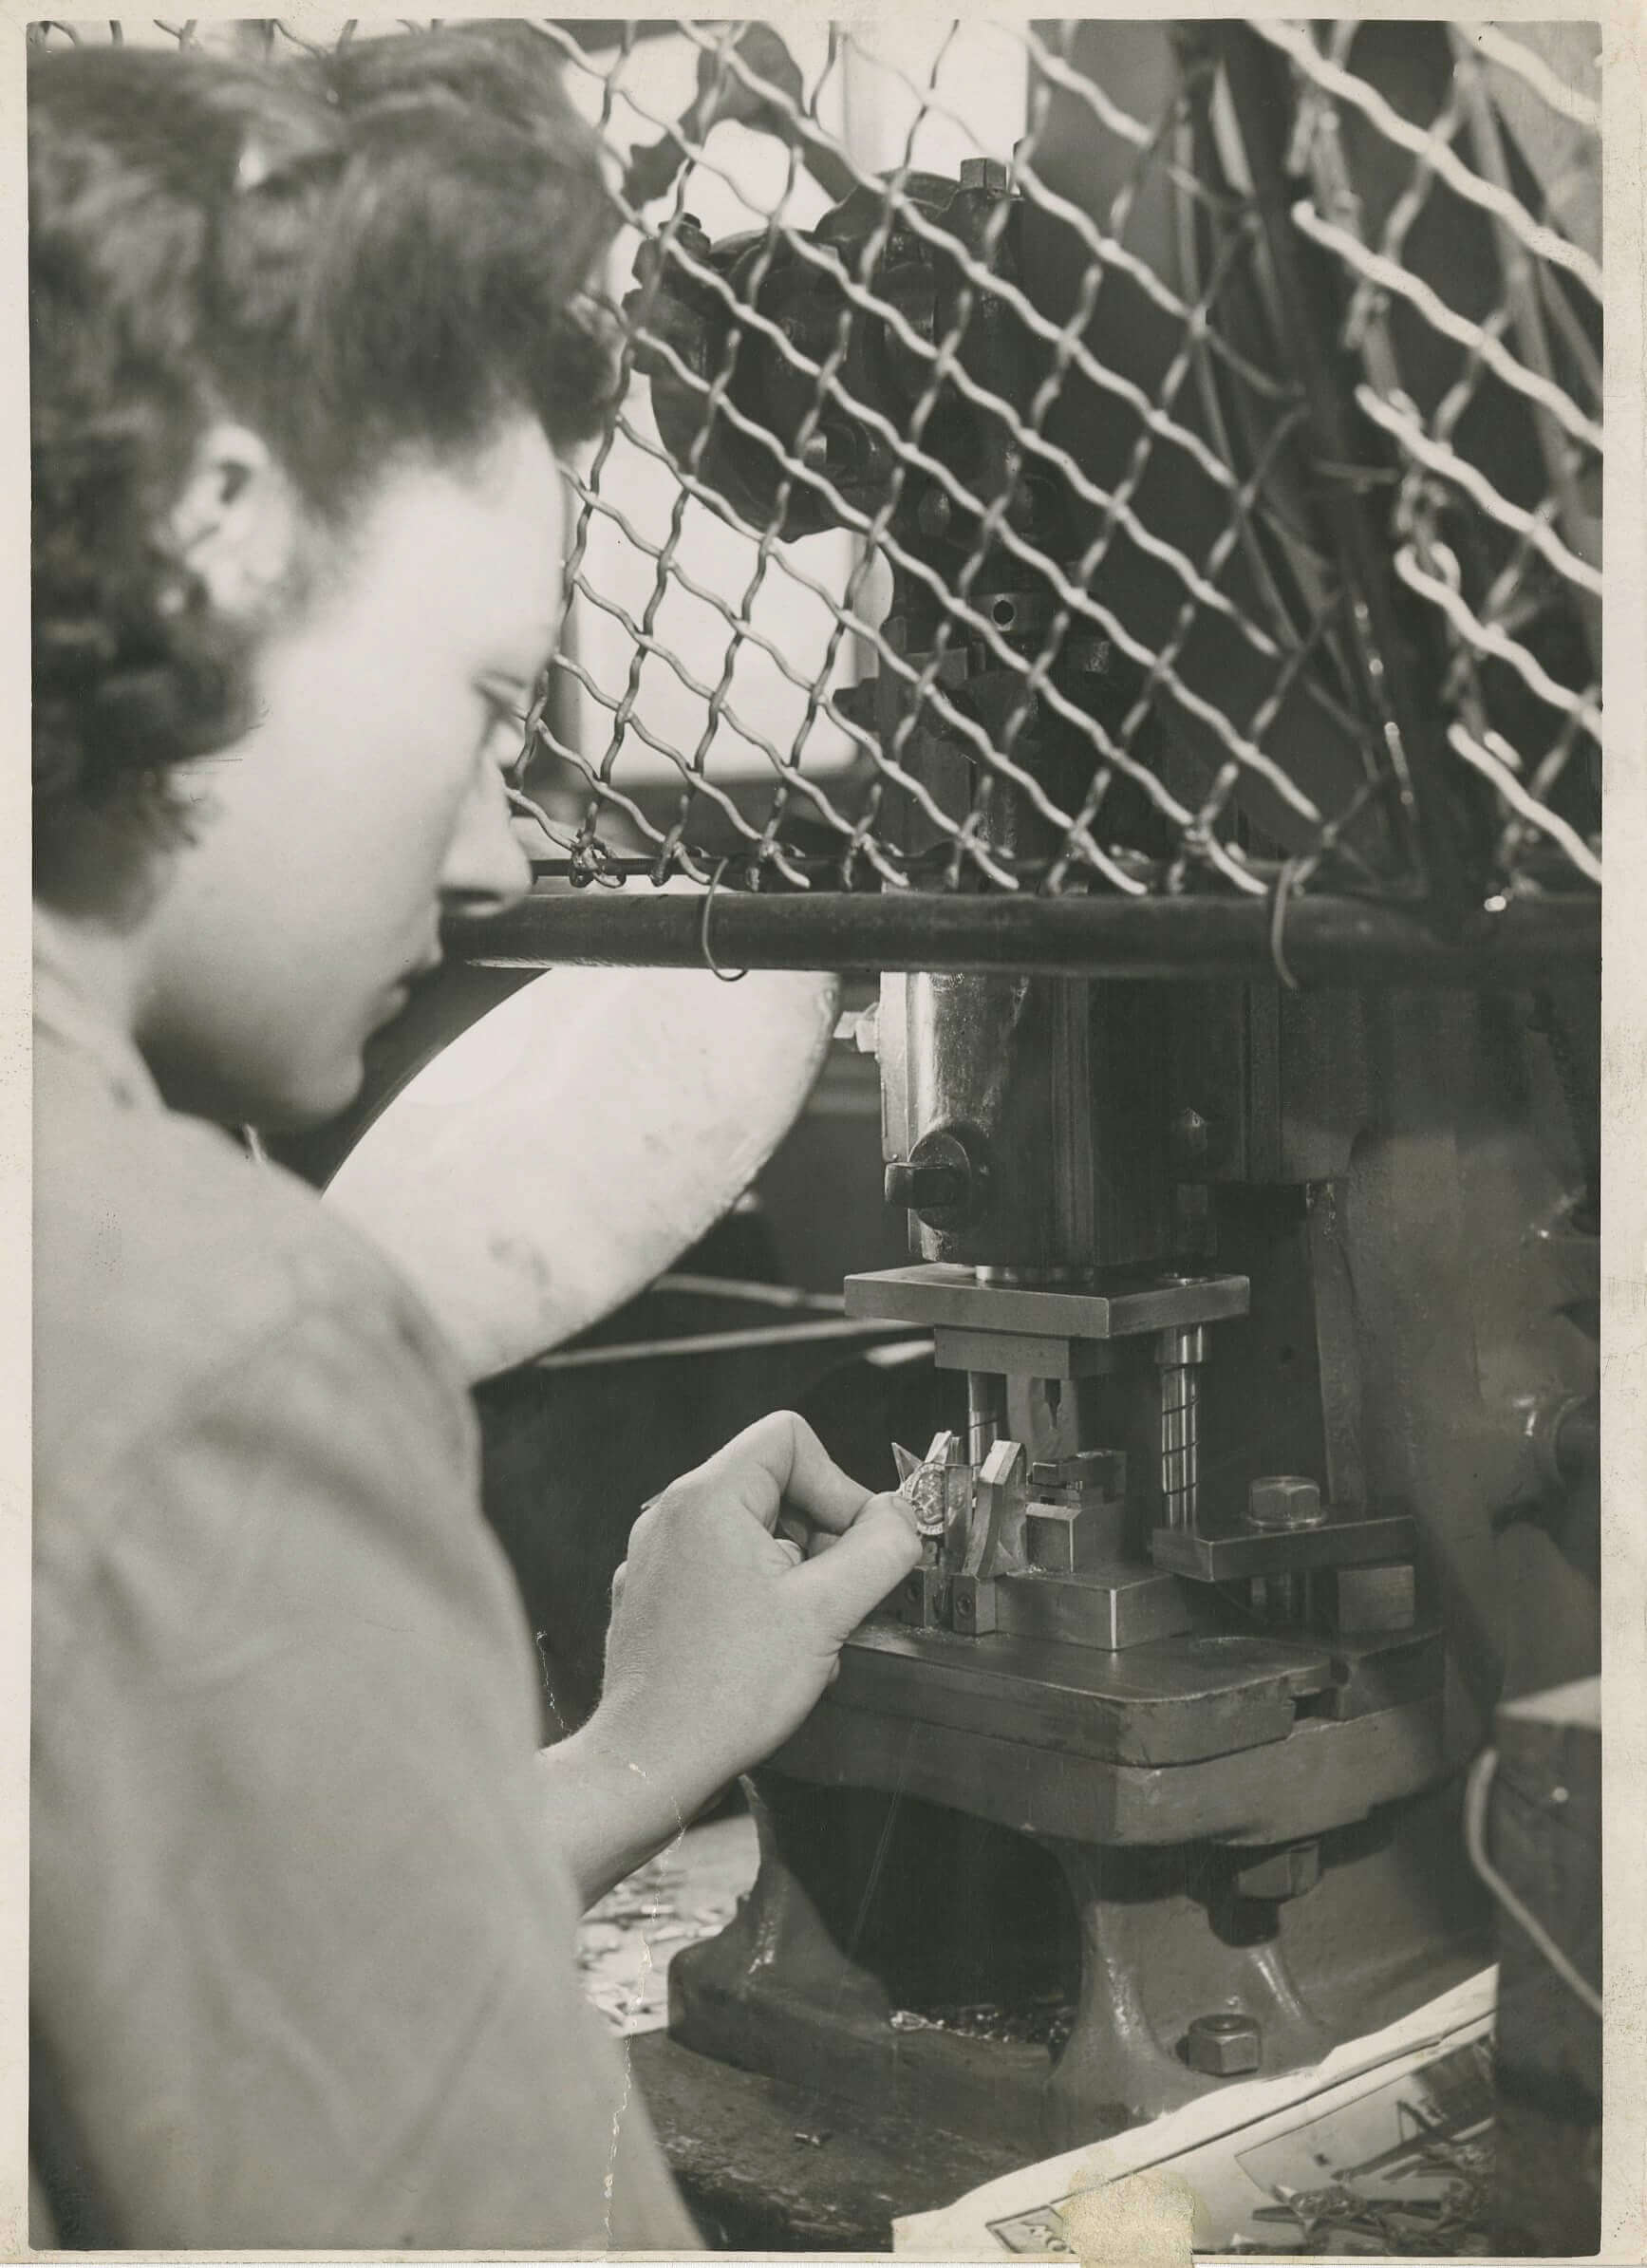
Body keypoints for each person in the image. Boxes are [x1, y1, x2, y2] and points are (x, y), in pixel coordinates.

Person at [29, 25, 921, 2249]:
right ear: (220, 538)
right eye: (489, 706)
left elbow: (174, 1999)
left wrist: (628, 1756)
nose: (510, 849)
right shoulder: (213, 1333)